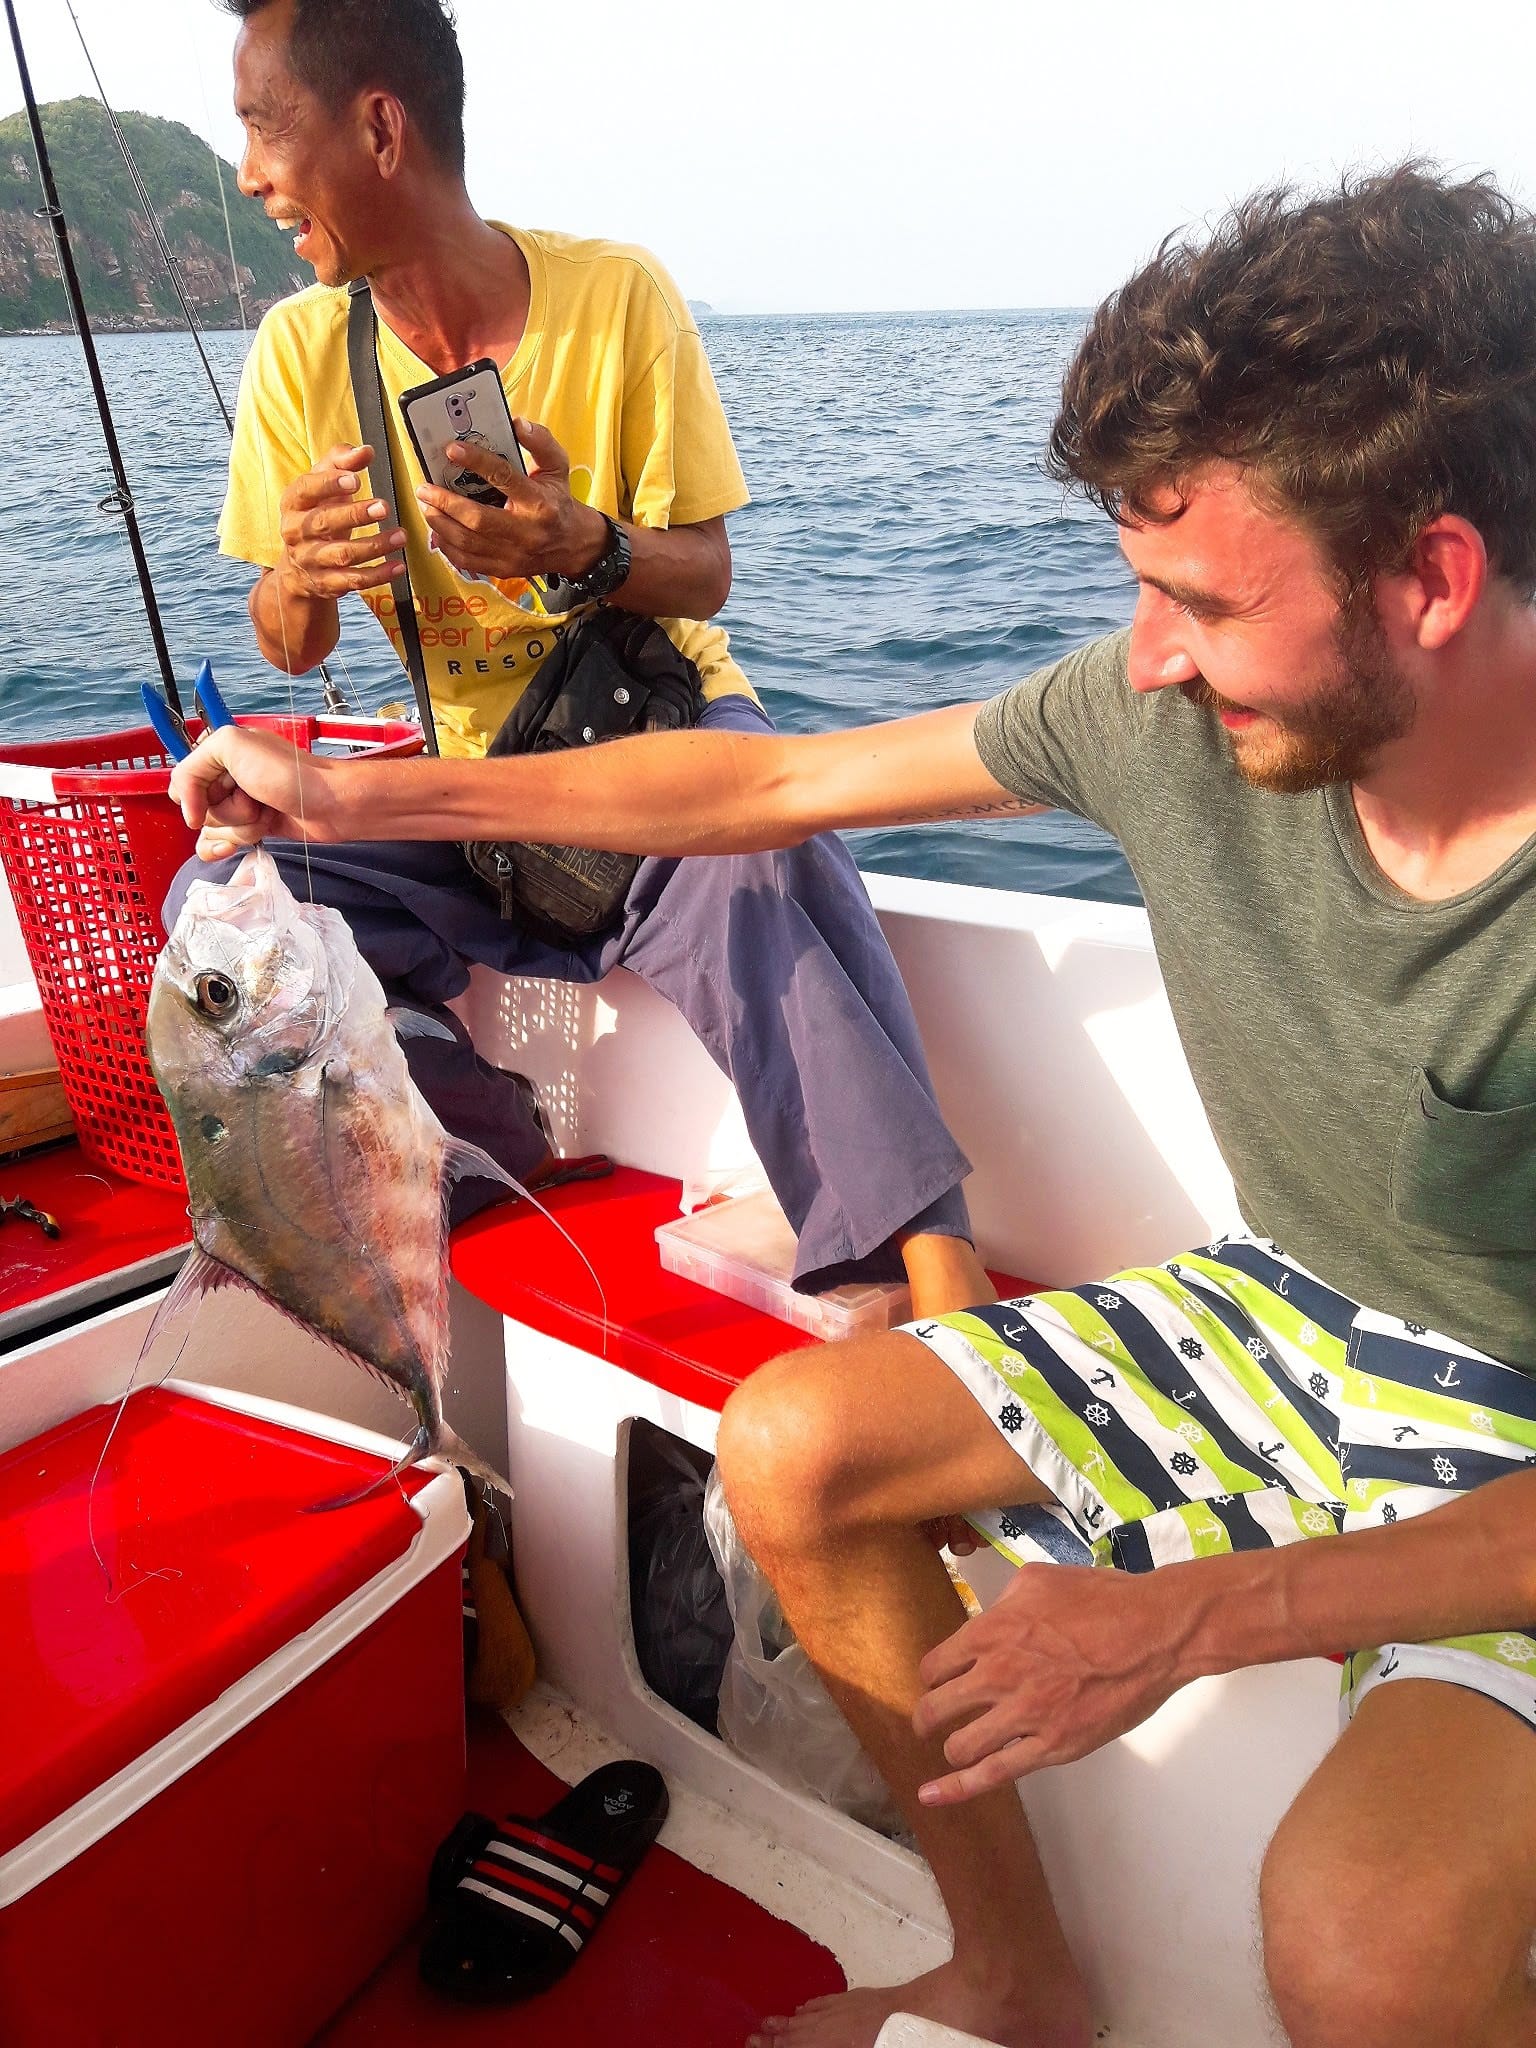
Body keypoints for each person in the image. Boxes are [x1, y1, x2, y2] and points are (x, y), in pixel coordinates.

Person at [174, 165, 1536, 2048]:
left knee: (1362, 1948)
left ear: (1432, 581)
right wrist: (357, 803)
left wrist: (1201, 1617)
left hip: (1511, 1447)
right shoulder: (1171, 717)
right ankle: (1015, 1976)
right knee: (799, 1449)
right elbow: (765, 786)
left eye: (1195, 603)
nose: (1141, 658)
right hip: (1279, 1306)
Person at [181, 0, 990, 1317]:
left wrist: (584, 544)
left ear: (380, 126)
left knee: (763, 845)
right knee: (229, 910)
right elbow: (287, 639)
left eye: (265, 129)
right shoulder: (298, 352)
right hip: (474, 798)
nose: (252, 174)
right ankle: (488, 1144)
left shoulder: (618, 296)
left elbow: (707, 570)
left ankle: (932, 1281)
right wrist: (301, 576)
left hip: (658, 742)